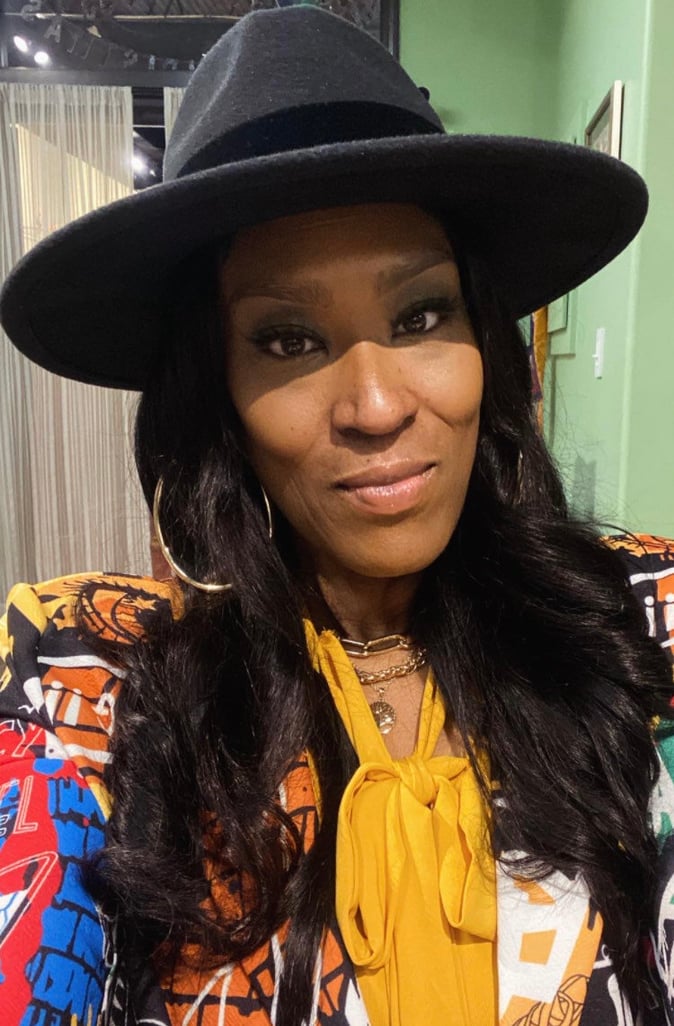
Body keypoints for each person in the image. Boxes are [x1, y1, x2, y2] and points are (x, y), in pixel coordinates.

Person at [1, 6, 673, 1026]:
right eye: (288, 340)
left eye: (420, 316)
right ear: (216, 392)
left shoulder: (633, 626)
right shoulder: (94, 684)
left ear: (485, 348)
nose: (376, 406)